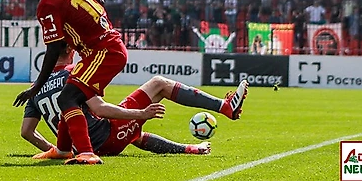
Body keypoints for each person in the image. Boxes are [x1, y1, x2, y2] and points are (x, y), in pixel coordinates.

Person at [21, 46, 247, 158]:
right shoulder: (74, 74)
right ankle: (225, 107)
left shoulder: (35, 88)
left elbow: (27, 132)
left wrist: (58, 149)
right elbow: (100, 108)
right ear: (71, 50)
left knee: (132, 134)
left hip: (83, 145)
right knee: (159, 84)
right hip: (105, 138)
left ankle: (189, 149)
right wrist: (141, 114)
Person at [13, 0, 127, 165]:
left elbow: (53, 49)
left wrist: (36, 86)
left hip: (103, 51)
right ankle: (64, 149)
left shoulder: (48, 3)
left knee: (68, 98)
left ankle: (86, 153)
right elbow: (99, 0)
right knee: (68, 96)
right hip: (103, 46)